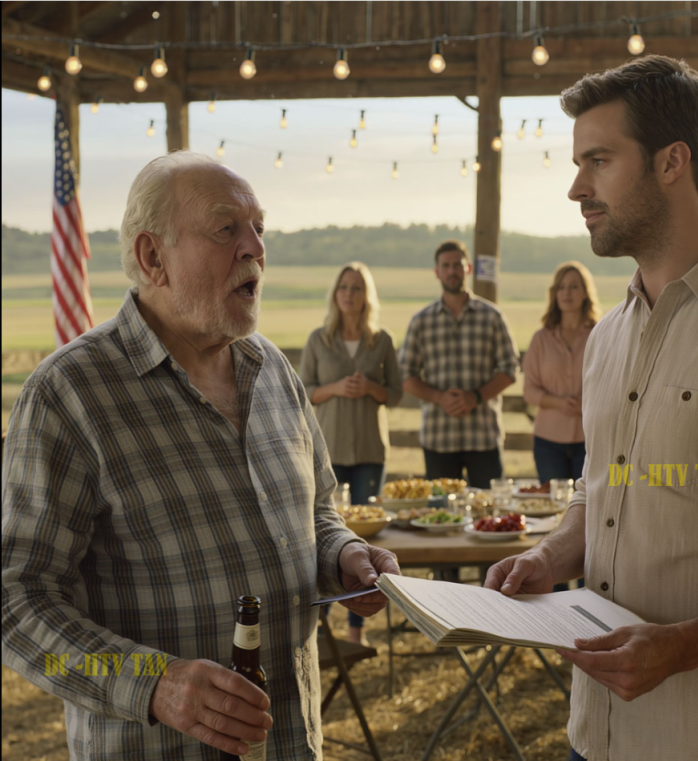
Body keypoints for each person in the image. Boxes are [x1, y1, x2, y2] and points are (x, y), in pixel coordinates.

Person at [1, 151, 400, 761]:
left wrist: (344, 555)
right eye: (226, 230)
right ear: (152, 257)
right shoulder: (70, 394)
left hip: (292, 743)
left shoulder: (273, 372)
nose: (255, 249)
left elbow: (317, 511)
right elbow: (16, 603)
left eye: (259, 229)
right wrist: (151, 685)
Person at [485, 55, 698, 761]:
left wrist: (685, 645)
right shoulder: (607, 335)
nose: (577, 187)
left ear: (674, 162)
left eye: (599, 161)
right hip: (592, 733)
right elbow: (604, 489)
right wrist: (550, 554)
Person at [300, 262, 402, 643]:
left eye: (357, 287)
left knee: (364, 541)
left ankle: (357, 630)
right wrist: (337, 387)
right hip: (327, 451)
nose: (349, 294)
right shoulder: (318, 340)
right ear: (335, 294)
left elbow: (395, 393)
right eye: (343, 287)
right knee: (324, 537)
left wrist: (371, 389)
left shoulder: (382, 340)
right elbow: (305, 390)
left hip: (370, 451)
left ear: (366, 295)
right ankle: (321, 630)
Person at [399, 240, 520, 488]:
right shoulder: (421, 322)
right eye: (446, 266)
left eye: (457, 265)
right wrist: (440, 397)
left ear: (468, 268)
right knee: (441, 517)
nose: (452, 271)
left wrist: (474, 397)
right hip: (439, 436)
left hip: (483, 436)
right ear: (437, 272)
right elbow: (405, 376)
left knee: (489, 514)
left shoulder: (492, 316)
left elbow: (510, 369)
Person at [524, 261, 601, 483]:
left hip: (589, 440)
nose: (567, 293)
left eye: (574, 286)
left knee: (586, 509)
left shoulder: (599, 336)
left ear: (586, 293)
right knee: (552, 509)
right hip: (548, 443)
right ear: (554, 294)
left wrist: (585, 404)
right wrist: (558, 402)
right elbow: (529, 391)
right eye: (562, 287)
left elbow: (611, 385)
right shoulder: (541, 339)